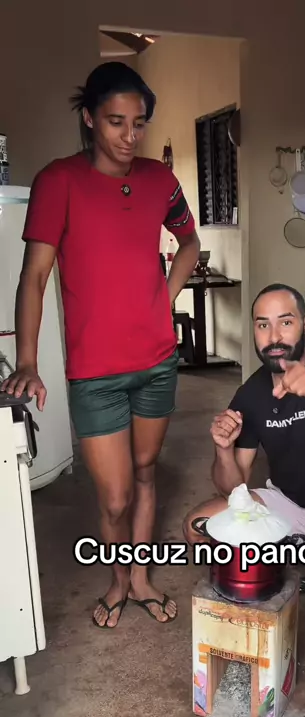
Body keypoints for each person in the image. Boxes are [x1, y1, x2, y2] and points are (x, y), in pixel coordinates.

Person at [1, 62, 200, 629]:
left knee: (146, 471)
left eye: (139, 123)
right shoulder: (58, 181)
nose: (129, 136)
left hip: (157, 361)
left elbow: (189, 242)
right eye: (116, 122)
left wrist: (163, 298)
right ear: (89, 118)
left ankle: (138, 579)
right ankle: (116, 579)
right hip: (96, 373)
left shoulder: (160, 180)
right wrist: (28, 361)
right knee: (114, 496)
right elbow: (34, 277)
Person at [183, 283, 305, 640]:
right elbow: (234, 489)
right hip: (286, 502)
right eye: (263, 324)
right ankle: (270, 571)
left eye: (285, 322)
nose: (274, 336)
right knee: (199, 527)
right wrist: (223, 448)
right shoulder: (251, 393)